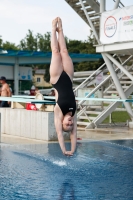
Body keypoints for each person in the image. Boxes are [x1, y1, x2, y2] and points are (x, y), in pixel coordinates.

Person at [50, 17, 77, 156]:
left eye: (68, 124)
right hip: (69, 77)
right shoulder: (73, 113)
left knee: (56, 51)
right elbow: (73, 134)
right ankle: (60, 29)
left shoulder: (58, 112)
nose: (70, 123)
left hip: (57, 78)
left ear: (62, 123)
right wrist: (73, 150)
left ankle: (53, 28)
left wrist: (65, 150)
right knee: (64, 51)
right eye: (71, 125)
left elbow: (60, 135)